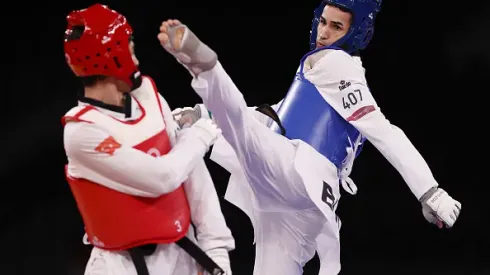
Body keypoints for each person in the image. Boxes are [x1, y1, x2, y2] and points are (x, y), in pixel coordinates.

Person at [159, 0, 462, 274]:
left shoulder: (336, 63)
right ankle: (209, 86)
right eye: (323, 22)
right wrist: (206, 116)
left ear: (354, 33)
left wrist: (429, 190)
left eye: (337, 26)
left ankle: (205, 66)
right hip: (301, 204)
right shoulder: (321, 72)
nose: (324, 32)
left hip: (297, 170)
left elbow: (383, 131)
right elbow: (274, 115)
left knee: (242, 131)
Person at [61, 4, 234, 275]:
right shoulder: (82, 131)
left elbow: (193, 176)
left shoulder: (148, 96)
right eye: (129, 46)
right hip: (119, 266)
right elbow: (161, 178)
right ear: (111, 54)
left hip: (182, 253)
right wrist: (198, 134)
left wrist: (216, 251)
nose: (135, 56)